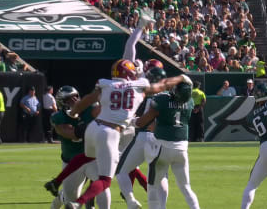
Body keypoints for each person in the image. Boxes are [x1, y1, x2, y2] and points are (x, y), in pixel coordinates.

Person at [65, 59, 192, 208]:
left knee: (95, 165)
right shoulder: (141, 86)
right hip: (124, 133)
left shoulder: (106, 83)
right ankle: (80, 202)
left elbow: (88, 99)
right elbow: (163, 86)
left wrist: (73, 112)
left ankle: (74, 196)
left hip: (96, 128)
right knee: (110, 177)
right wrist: (181, 77)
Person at [134, 81, 200, 209]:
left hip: (162, 149)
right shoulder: (190, 102)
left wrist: (133, 121)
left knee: (152, 186)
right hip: (181, 150)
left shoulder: (162, 100)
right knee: (186, 188)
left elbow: (143, 122)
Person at [115, 67, 169, 208]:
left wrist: (133, 121)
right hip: (164, 139)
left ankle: (131, 200)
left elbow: (142, 120)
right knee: (161, 176)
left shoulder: (146, 95)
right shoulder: (170, 97)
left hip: (144, 136)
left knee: (121, 171)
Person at [49, 85, 108, 209]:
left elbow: (106, 113)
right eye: (69, 99)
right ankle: (59, 200)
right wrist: (89, 127)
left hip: (91, 159)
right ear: (62, 103)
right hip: (72, 163)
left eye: (76, 97)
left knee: (102, 184)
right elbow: (71, 134)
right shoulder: (58, 117)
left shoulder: (90, 109)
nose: (75, 101)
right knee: (71, 201)